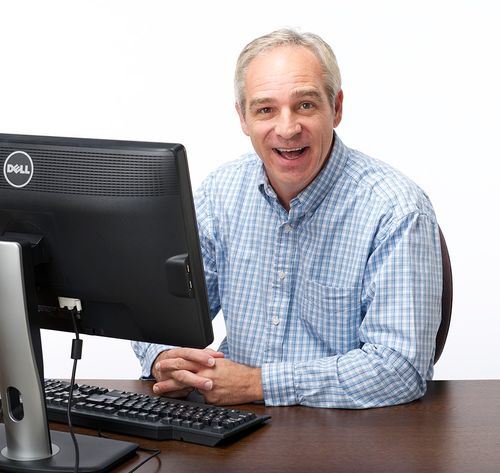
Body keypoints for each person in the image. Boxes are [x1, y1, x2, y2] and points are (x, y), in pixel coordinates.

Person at [132, 28, 442, 408]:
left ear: (337, 108)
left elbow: (400, 370)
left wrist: (257, 384)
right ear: (243, 118)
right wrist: (165, 358)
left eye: (306, 105)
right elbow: (159, 314)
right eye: (265, 109)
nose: (287, 128)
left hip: (351, 434)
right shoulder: (220, 193)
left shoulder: (396, 209)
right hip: (234, 427)